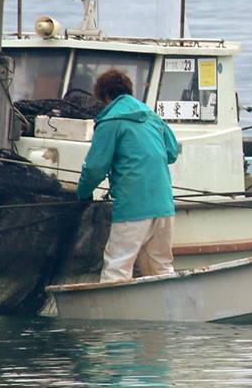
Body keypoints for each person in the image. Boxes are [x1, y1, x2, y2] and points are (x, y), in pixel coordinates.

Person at [74, 67, 182, 281]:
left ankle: (110, 313)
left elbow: (95, 167)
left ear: (104, 96)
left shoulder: (110, 121)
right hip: (164, 207)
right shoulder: (152, 116)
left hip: (132, 208)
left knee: (117, 268)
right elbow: (171, 153)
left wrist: (83, 193)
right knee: (160, 269)